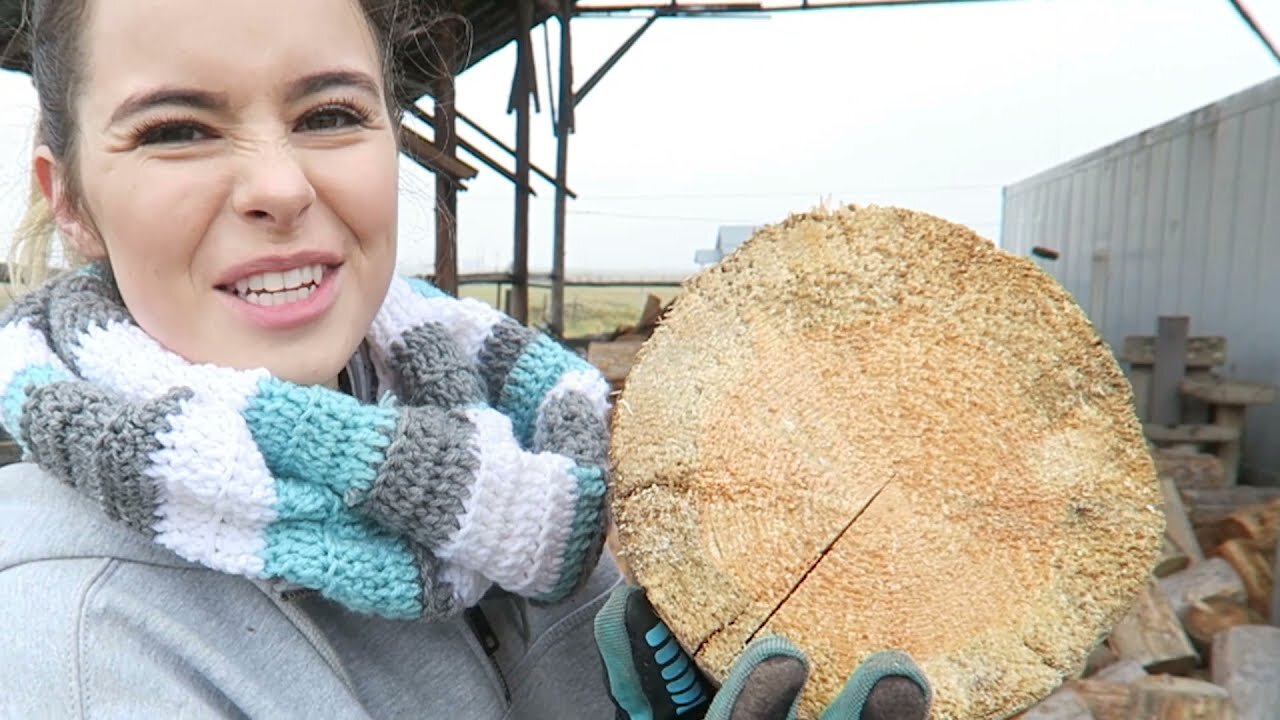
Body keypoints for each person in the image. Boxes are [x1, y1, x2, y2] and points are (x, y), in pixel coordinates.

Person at [0, 1, 931, 718]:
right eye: (177, 130)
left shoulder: (529, 470)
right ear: (71, 200)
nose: (280, 187)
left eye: (329, 113)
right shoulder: (74, 638)